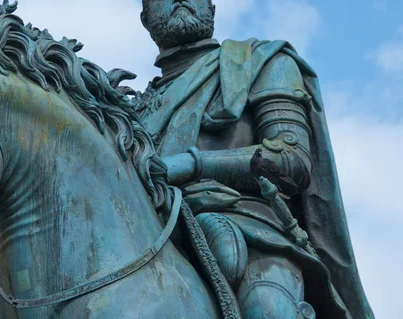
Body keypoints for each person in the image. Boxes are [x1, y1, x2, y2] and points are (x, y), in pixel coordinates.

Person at [135, 1, 374, 318]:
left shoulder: (262, 62)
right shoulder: (131, 113)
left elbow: (292, 160)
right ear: (145, 17)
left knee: (268, 310)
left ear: (211, 8)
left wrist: (193, 164)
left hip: (254, 233)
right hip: (151, 235)